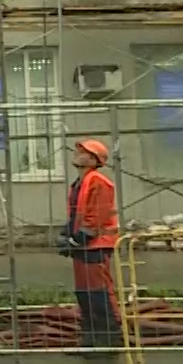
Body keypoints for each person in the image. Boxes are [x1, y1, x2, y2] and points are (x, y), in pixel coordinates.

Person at [60, 139, 121, 350]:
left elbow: (96, 215)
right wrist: (68, 233)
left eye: (83, 151)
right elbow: (77, 213)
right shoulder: (80, 182)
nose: (77, 154)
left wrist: (78, 238)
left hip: (96, 244)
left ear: (94, 160)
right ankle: (91, 337)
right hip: (85, 245)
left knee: (98, 291)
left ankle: (109, 337)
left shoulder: (98, 182)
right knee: (84, 292)